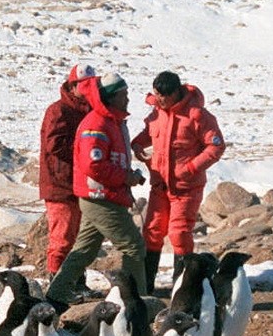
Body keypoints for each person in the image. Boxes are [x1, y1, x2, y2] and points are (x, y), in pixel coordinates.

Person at [46, 72, 146, 304]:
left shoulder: (111, 120)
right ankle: (137, 301)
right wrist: (125, 177)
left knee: (86, 249)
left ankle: (56, 293)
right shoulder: (97, 123)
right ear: (111, 97)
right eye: (124, 94)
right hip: (100, 196)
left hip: (103, 194)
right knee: (133, 246)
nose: (128, 99)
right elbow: (93, 163)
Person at [131, 70, 226, 291]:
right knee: (152, 232)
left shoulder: (197, 115)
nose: (161, 100)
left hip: (186, 187)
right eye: (158, 95)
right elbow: (149, 133)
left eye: (165, 96)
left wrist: (191, 167)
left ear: (177, 92)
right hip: (160, 184)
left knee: (179, 233)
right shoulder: (156, 112)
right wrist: (137, 145)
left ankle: (181, 288)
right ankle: (146, 288)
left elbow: (216, 145)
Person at [39, 62, 96, 280]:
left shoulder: (88, 110)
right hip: (60, 185)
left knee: (77, 238)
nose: (88, 88)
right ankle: (57, 285)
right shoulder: (59, 110)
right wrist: (85, 149)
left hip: (78, 184)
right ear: (72, 86)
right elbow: (55, 145)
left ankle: (74, 282)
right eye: (83, 84)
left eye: (91, 84)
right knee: (61, 238)